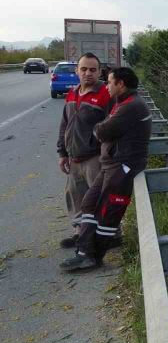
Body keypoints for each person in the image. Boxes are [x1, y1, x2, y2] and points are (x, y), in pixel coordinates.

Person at [60, 67, 152, 271]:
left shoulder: (131, 106)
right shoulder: (123, 102)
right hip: (111, 163)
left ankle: (94, 257)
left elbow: (102, 131)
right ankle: (84, 251)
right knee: (89, 204)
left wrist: (99, 128)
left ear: (121, 84)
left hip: (122, 165)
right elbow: (106, 128)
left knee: (108, 213)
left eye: (110, 82)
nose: (107, 86)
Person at [57, 52, 112, 249]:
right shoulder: (72, 93)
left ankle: (107, 236)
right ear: (77, 71)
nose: (87, 73)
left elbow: (113, 127)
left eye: (92, 69)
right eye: (83, 69)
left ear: (99, 72)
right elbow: (65, 125)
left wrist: (107, 155)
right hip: (74, 158)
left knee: (98, 199)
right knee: (76, 198)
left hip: (95, 158)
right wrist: (62, 153)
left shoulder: (106, 94)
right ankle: (80, 233)